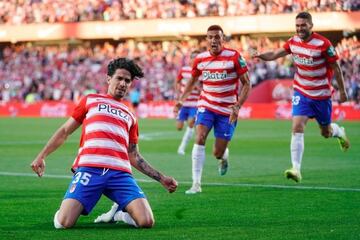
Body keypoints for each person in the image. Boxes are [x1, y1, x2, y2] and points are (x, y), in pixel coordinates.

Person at [30, 58, 178, 229]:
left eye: (127, 81)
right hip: (90, 169)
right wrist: (41, 156)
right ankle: (65, 211)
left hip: (120, 174)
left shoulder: (130, 115)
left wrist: (161, 178)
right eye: (119, 78)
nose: (123, 83)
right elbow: (65, 131)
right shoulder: (90, 100)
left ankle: (120, 214)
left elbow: (134, 155)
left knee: (146, 222)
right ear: (109, 79)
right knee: (63, 223)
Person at [250, 12, 350, 183]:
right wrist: (260, 55)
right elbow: (275, 54)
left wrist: (342, 91)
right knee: (297, 126)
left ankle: (339, 131)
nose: (299, 28)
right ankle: (296, 168)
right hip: (301, 92)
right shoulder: (293, 41)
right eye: (297, 25)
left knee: (325, 132)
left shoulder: (323, 44)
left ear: (311, 25)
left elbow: (337, 68)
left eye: (303, 25)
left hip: (321, 95)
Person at [174, 25, 251, 194]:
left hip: (227, 110)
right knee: (199, 136)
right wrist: (181, 100)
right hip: (206, 105)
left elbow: (247, 83)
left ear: (223, 39)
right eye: (210, 37)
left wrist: (238, 106)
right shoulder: (200, 59)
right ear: (206, 39)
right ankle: (196, 184)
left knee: (217, 152)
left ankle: (223, 157)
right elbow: (192, 81)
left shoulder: (234, 57)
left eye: (217, 37)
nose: (214, 40)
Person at [175, 50, 201, 155]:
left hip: (194, 103)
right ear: (190, 59)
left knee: (190, 123)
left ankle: (182, 148)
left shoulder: (201, 72)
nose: (194, 60)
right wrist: (177, 94)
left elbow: (202, 88)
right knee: (179, 127)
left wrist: (196, 87)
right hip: (183, 103)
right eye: (193, 58)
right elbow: (177, 81)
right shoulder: (184, 70)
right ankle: (191, 123)